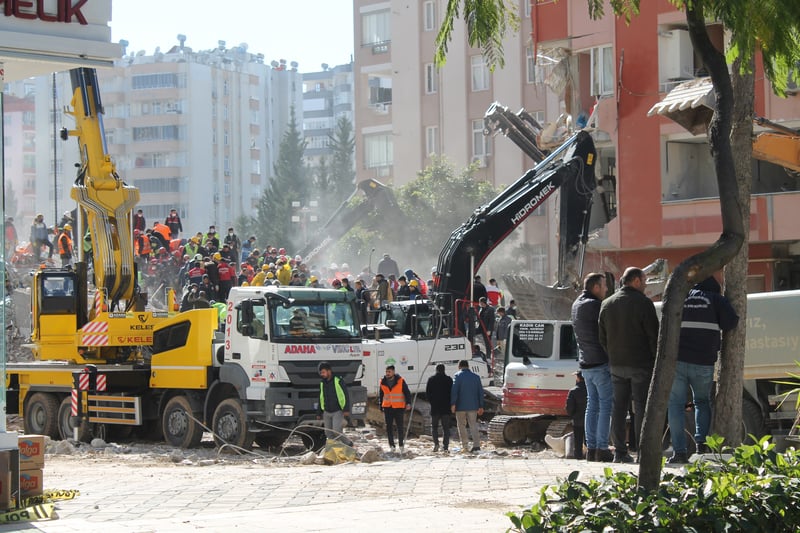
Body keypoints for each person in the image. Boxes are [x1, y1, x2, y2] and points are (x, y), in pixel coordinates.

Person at [667, 276, 738, 464]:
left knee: (675, 405)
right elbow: (731, 323)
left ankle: (679, 452)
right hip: (703, 362)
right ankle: (701, 446)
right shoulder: (716, 299)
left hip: (678, 361)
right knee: (701, 402)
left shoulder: (682, 298)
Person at [599, 267, 659, 463]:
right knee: (641, 408)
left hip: (617, 364)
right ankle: (643, 451)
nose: (646, 284)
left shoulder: (607, 304)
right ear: (635, 281)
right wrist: (654, 360)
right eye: (644, 281)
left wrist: (613, 355)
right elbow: (654, 336)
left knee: (619, 408)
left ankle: (620, 452)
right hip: (640, 365)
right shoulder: (644, 304)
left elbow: (602, 337)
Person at [572, 272, 614, 462]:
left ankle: (591, 448)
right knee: (605, 406)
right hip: (600, 362)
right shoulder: (596, 305)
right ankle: (603, 448)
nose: (606, 289)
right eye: (604, 286)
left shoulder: (576, 304)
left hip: (585, 363)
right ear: (596, 287)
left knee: (592, 405)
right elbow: (606, 333)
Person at [450, 359, 485, 453]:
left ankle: (465, 446)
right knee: (473, 425)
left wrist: (453, 404)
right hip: (473, 406)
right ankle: (476, 445)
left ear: (459, 366)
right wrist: (481, 406)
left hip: (460, 406)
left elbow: (454, 391)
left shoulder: (457, 376)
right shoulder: (476, 377)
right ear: (468, 366)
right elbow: (480, 392)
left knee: (461, 425)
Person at [378, 365, 412, 453]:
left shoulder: (400, 381)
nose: (387, 374)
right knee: (388, 427)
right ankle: (392, 445)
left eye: (389, 372)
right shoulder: (382, 381)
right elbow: (381, 394)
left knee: (400, 427)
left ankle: (401, 445)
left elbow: (407, 392)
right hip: (388, 407)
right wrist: (380, 405)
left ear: (393, 372)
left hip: (399, 407)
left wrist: (408, 403)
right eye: (386, 372)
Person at [317, 362, 352, 446]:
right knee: (328, 433)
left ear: (329, 371)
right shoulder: (322, 383)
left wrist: (346, 409)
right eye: (321, 373)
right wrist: (319, 413)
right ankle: (335, 449)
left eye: (323, 372)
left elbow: (345, 395)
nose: (322, 374)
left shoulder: (338, 380)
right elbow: (321, 397)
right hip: (326, 412)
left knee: (336, 431)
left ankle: (348, 443)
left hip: (337, 411)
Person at [426, 364, 453, 453]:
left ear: (436, 370)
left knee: (434, 427)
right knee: (446, 428)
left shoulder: (431, 379)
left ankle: (436, 444)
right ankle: (445, 446)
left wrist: (432, 402)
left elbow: (428, 394)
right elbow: (452, 393)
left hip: (435, 408)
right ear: (444, 370)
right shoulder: (449, 380)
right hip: (446, 408)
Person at [565, 371, 588, 459]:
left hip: (577, 420)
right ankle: (589, 455)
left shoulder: (573, 391)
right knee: (588, 439)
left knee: (578, 440)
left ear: (578, 378)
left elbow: (569, 407)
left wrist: (572, 415)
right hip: (590, 420)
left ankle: (578, 456)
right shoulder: (591, 390)